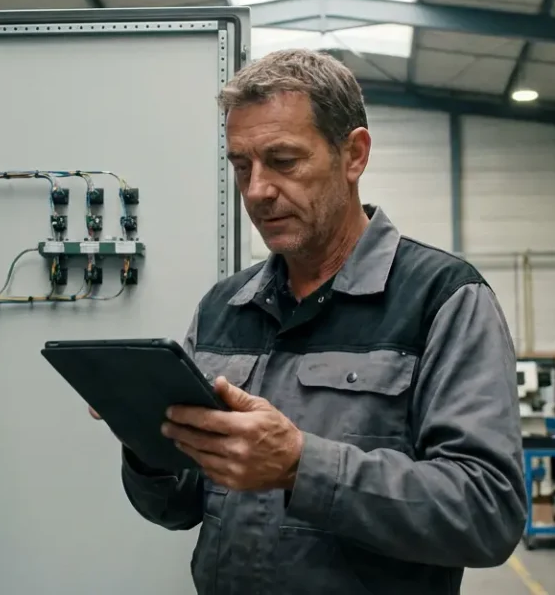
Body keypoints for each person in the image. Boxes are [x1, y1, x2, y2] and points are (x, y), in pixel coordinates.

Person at [97, 48, 526, 594]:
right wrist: (145, 444)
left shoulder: (442, 299)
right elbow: (177, 508)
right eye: (241, 166)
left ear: (353, 155)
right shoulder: (222, 309)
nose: (257, 191)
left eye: (283, 161)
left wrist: (304, 466)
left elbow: (488, 514)